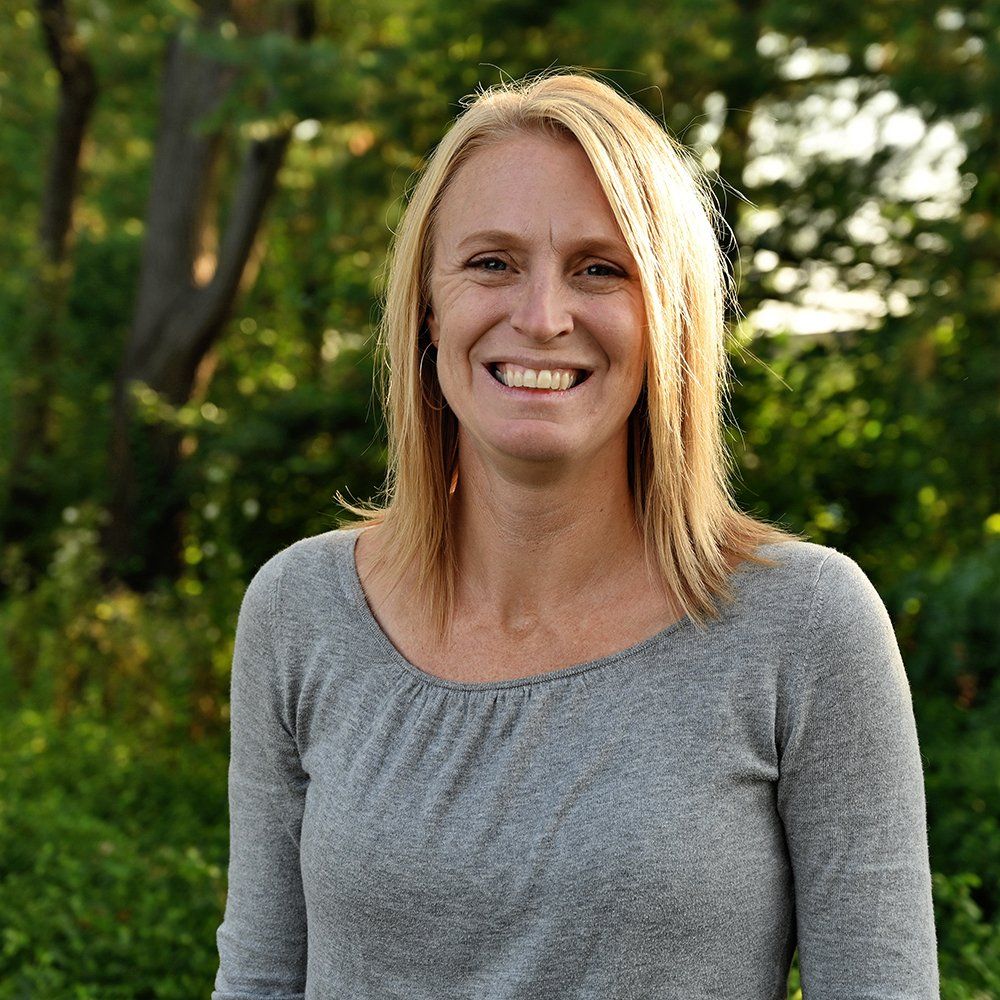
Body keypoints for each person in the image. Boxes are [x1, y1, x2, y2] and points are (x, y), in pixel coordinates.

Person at [212, 71, 939, 998]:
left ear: (666, 315)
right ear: (428, 309)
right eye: (491, 262)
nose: (543, 317)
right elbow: (260, 982)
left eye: (601, 268)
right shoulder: (302, 610)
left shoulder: (805, 627)